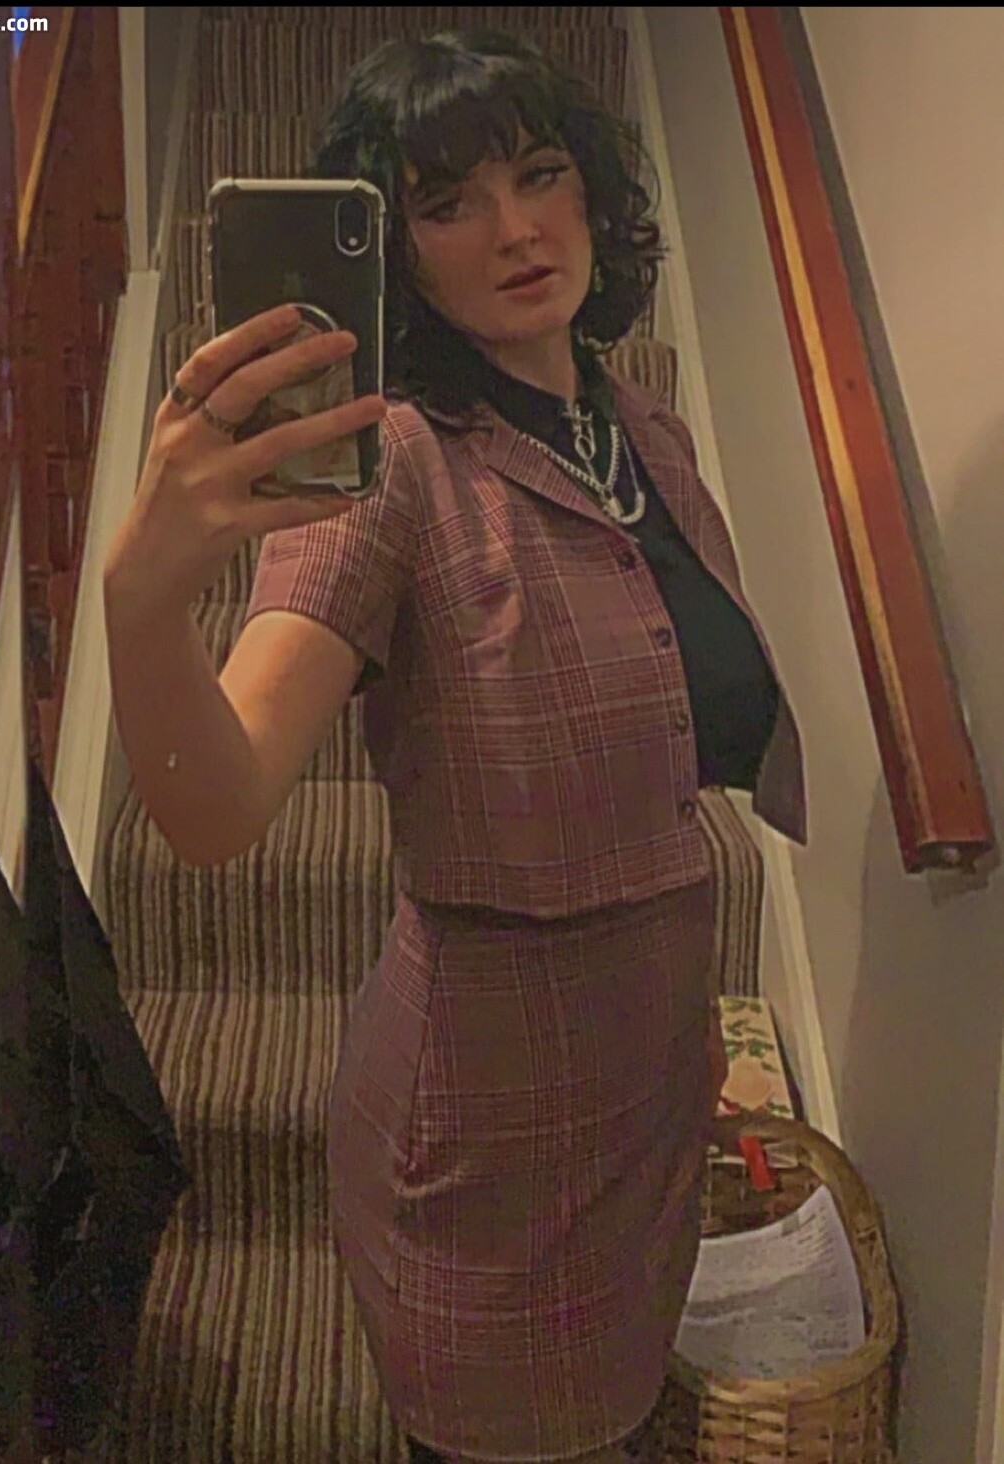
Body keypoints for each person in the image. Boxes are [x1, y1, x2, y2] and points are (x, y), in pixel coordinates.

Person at [103, 29, 806, 1464]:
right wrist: (141, 597)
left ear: (592, 190)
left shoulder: (645, 433)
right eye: (446, 204)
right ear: (396, 255)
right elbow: (217, 809)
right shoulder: (395, 471)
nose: (515, 229)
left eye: (539, 174)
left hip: (650, 1102)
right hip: (487, 1147)